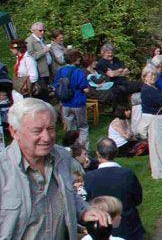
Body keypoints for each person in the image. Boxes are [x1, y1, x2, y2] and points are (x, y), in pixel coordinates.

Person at [0, 99, 112, 239]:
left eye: (51, 129)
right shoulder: (3, 170)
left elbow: (68, 194)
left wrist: (84, 211)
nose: (46, 137)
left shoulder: (62, 157)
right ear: (14, 131)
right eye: (37, 131)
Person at [84, 138, 145, 240]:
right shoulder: (127, 174)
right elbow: (138, 199)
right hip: (129, 227)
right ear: (116, 153)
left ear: (97, 154)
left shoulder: (89, 177)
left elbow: (87, 203)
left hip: (102, 227)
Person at [136, 65, 162, 180]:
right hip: (155, 120)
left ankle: (161, 169)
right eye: (150, 75)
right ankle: (159, 174)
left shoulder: (153, 87)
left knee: (160, 146)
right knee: (157, 147)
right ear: (144, 77)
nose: (152, 77)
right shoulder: (147, 89)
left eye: (154, 75)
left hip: (159, 119)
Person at [54, 48, 91, 147]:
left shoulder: (60, 71)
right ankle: (84, 149)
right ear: (76, 59)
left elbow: (55, 85)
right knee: (83, 127)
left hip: (65, 103)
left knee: (71, 128)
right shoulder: (78, 71)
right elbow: (85, 89)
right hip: (78, 103)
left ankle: (72, 148)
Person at [27, 22, 54, 99]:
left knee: (48, 88)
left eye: (44, 30)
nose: (42, 32)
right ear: (33, 31)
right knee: (43, 91)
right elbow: (32, 56)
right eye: (40, 30)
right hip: (40, 71)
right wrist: (44, 51)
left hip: (47, 68)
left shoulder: (41, 38)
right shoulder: (30, 41)